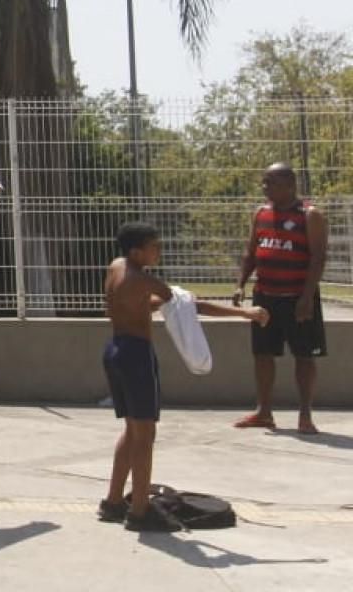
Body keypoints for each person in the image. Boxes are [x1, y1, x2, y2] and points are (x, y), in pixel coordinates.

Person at [102, 220, 269, 532]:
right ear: (137, 251)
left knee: (132, 430)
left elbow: (141, 305)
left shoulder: (117, 267)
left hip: (114, 349)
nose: (159, 251)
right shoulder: (143, 279)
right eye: (154, 247)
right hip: (135, 355)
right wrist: (244, 313)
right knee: (146, 435)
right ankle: (139, 511)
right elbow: (188, 306)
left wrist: (174, 300)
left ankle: (112, 502)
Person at [232, 162, 328, 434]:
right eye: (264, 182)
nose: (265, 188)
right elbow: (251, 253)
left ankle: (305, 415)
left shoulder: (310, 215)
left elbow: (318, 258)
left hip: (297, 297)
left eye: (270, 182)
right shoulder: (261, 213)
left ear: (289, 185)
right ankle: (263, 413)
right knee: (262, 354)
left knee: (304, 356)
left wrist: (307, 298)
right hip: (265, 297)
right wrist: (240, 284)